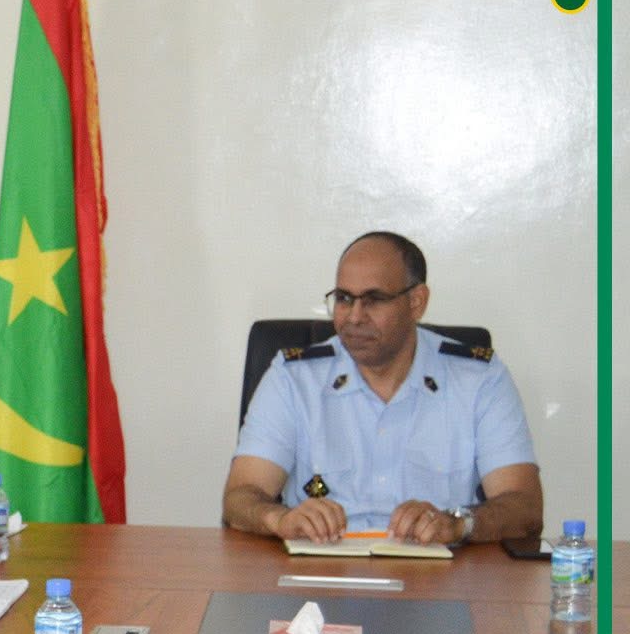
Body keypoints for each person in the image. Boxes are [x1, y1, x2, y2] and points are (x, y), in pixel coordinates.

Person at [223, 231, 542, 545]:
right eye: (344, 299)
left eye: (373, 300)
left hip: (438, 570)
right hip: (321, 567)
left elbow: (524, 508)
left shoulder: (479, 379)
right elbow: (240, 498)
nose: (354, 317)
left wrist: (458, 524)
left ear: (416, 302)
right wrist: (280, 519)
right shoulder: (294, 378)